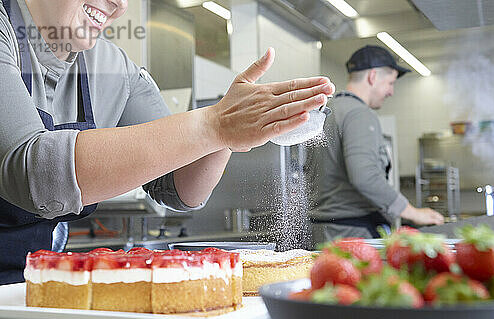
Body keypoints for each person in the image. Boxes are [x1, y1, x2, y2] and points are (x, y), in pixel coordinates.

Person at [0, 0, 334, 284]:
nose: (119, 5)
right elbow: (32, 175)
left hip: (30, 283)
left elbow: (176, 187)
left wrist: (229, 135)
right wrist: (214, 124)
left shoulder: (114, 68)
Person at [306, 45, 444, 243]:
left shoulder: (326, 112)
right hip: (351, 236)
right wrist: (411, 211)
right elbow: (364, 175)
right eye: (390, 83)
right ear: (372, 77)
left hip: (323, 231)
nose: (391, 91)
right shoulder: (359, 114)